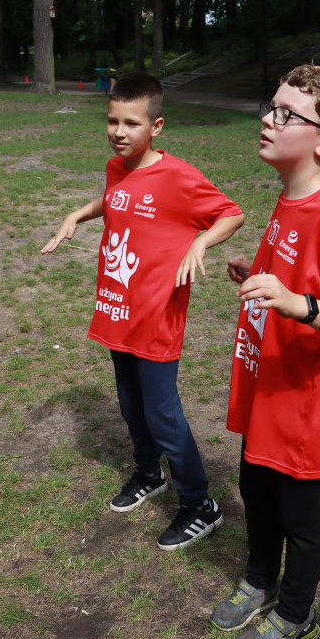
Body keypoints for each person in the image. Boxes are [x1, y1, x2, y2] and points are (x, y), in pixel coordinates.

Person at [210, 65, 320, 639]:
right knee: (254, 490)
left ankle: (296, 611)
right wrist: (257, 276)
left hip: (307, 403)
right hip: (268, 386)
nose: (267, 118)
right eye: (271, 106)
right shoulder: (290, 197)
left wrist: (296, 303)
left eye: (286, 114)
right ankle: (259, 578)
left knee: (301, 519)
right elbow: (289, 272)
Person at [41, 72, 244, 551]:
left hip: (156, 315)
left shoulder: (177, 176)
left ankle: (200, 504)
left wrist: (200, 241)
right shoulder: (118, 167)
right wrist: (77, 214)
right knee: (131, 403)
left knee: (162, 413)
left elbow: (231, 213)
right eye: (112, 120)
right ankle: (149, 472)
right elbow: (116, 199)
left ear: (156, 126)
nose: (118, 131)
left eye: (131, 123)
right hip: (118, 307)